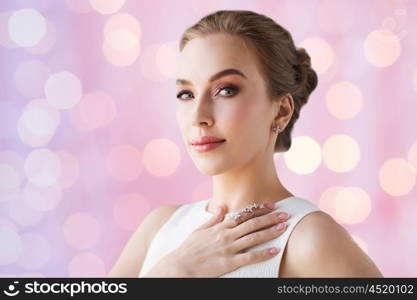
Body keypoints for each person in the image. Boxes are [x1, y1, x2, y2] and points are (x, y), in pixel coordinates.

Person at [108, 10, 383, 278]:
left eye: (226, 90)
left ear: (281, 111)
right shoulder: (159, 227)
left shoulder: (307, 240)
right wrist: (175, 272)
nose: (199, 116)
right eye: (186, 93)